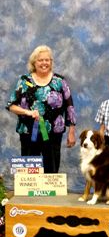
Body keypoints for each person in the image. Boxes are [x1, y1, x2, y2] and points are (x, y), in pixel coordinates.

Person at [6, 45, 76, 173]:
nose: (44, 63)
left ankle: (48, 191)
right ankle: (32, 192)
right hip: (28, 131)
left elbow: (70, 107)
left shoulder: (60, 81)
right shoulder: (24, 81)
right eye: (40, 60)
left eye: (47, 60)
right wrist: (28, 112)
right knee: (30, 168)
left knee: (52, 166)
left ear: (51, 62)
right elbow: (11, 105)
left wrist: (71, 131)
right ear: (34, 63)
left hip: (54, 132)